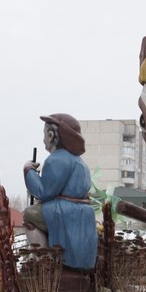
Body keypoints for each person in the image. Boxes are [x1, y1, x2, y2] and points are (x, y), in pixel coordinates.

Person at [23, 113, 97, 270]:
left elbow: (43, 191)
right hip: (82, 211)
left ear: (51, 135)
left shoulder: (57, 159)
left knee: (29, 214)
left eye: (44, 135)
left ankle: (43, 260)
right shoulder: (79, 161)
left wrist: (28, 170)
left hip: (65, 211)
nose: (43, 139)